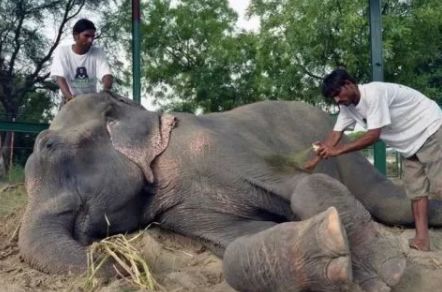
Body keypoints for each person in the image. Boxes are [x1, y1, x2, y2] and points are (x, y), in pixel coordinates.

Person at [305, 68, 442, 251]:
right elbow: (335, 134)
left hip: (430, 128)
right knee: (416, 193)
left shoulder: (375, 93)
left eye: (338, 93)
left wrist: (338, 151)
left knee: (440, 186)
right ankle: (422, 240)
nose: (337, 100)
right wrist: (315, 161)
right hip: (409, 144)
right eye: (333, 97)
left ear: (348, 83)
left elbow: (374, 135)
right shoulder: (347, 108)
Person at [51, 18, 113, 107]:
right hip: (69, 100)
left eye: (92, 36)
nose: (90, 40)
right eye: (86, 36)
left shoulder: (98, 51)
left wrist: (105, 91)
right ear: (75, 36)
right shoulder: (62, 51)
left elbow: (106, 75)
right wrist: (71, 99)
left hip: (91, 101)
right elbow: (60, 78)